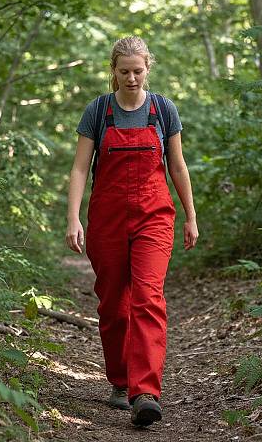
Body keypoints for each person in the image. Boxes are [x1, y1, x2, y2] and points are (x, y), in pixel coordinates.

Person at [66, 36, 198, 427]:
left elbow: (177, 166)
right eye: (124, 71)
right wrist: (73, 218)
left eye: (138, 70)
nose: (131, 77)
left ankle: (145, 391)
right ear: (114, 70)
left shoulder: (163, 110)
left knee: (147, 296)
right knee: (112, 302)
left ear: (148, 68)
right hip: (107, 216)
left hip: (154, 215)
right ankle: (120, 381)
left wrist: (191, 214)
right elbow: (78, 168)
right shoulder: (98, 111)